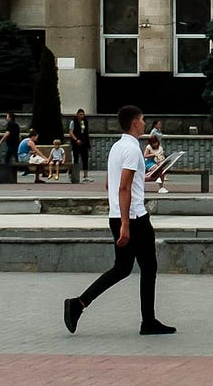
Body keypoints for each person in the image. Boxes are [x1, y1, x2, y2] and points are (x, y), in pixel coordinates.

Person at [63, 103, 174, 337]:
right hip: (133, 218)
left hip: (118, 215)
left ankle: (79, 304)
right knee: (149, 267)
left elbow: (110, 183)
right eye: (143, 119)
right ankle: (148, 321)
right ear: (135, 123)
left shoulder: (117, 147)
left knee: (123, 268)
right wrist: (126, 224)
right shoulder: (133, 149)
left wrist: (145, 178)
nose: (145, 123)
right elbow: (123, 187)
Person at [68, 110, 91, 184]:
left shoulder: (85, 121)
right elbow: (71, 132)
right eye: (80, 114)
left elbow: (86, 132)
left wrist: (88, 143)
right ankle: (74, 174)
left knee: (85, 158)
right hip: (76, 143)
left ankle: (85, 175)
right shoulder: (73, 122)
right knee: (75, 159)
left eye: (83, 114)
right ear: (77, 114)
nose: (82, 116)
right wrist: (76, 139)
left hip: (84, 142)